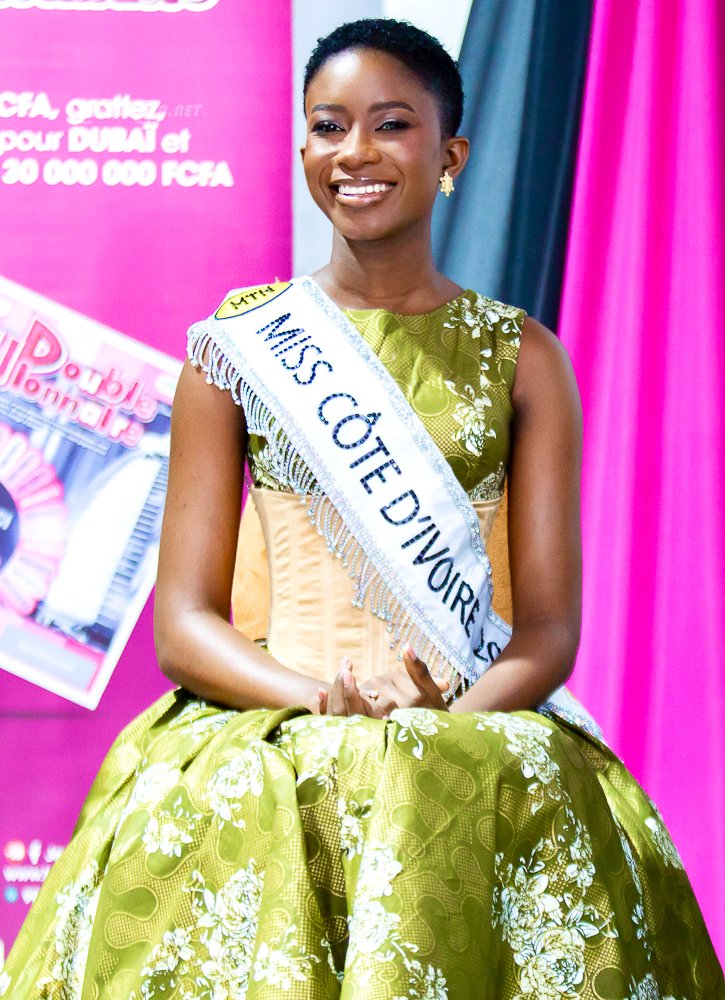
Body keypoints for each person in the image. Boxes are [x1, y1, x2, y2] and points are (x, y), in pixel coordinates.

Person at [1, 18, 722, 1000]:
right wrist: (317, 698)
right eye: (327, 126)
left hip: (469, 716)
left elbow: (549, 629)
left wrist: (449, 716)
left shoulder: (523, 358)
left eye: (389, 125)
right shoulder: (235, 347)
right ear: (302, 146)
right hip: (273, 722)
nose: (353, 153)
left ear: (449, 155)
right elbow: (183, 626)